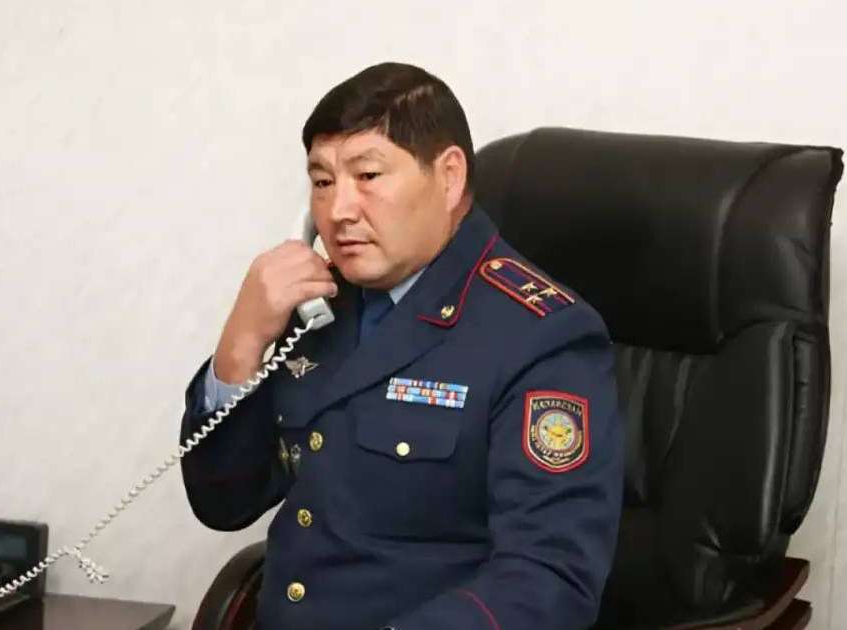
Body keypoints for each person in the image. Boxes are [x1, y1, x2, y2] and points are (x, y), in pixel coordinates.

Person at [179, 61, 624, 630]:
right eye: (321, 182)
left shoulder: (542, 335)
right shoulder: (321, 309)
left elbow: (549, 578)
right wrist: (239, 347)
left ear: (449, 177)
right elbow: (222, 503)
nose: (338, 210)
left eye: (367, 176)